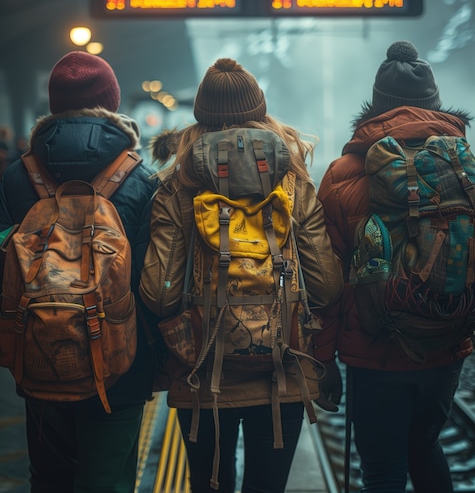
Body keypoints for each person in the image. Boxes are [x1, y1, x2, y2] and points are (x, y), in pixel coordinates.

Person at [139, 57, 344, 493]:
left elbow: (159, 293)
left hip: (200, 373)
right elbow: (325, 287)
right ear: (259, 110)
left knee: (210, 485)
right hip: (282, 368)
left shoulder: (178, 186)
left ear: (201, 114)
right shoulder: (292, 181)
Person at [317, 40, 474, 493]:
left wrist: (324, 358)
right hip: (445, 344)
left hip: (374, 350)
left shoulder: (345, 174)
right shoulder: (464, 171)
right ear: (436, 105)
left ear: (375, 108)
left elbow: (327, 282)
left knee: (382, 470)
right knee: (425, 449)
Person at [0, 50, 158, 493]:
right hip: (120, 365)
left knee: (48, 478)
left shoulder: (16, 176)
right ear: (112, 103)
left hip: (38, 356)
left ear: (52, 105)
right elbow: (153, 284)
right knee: (106, 480)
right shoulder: (140, 178)